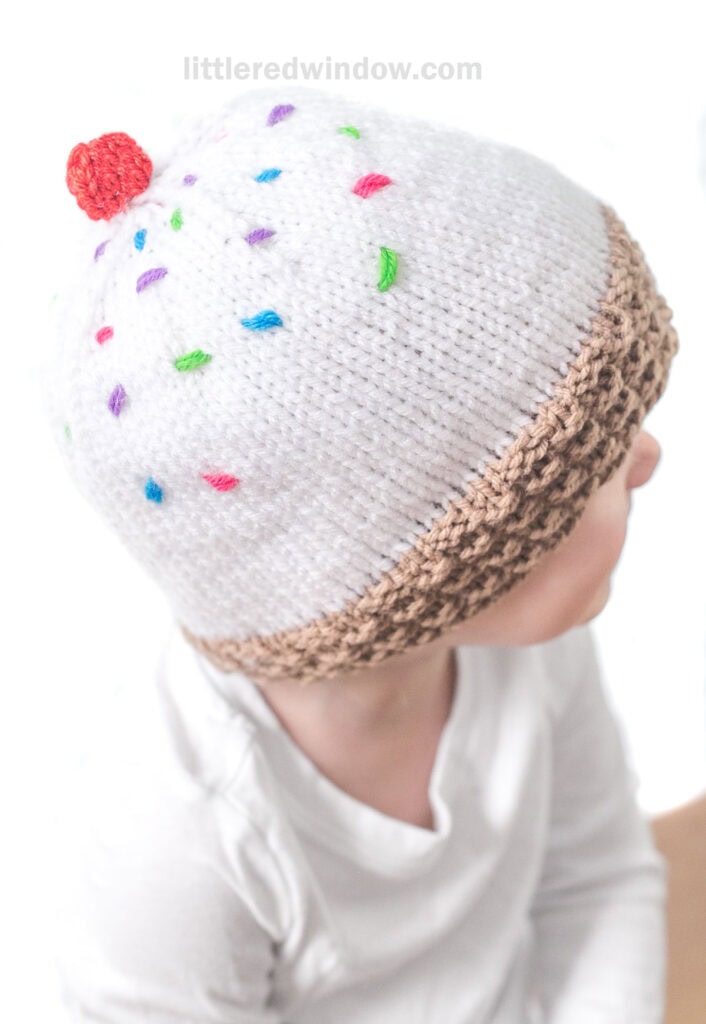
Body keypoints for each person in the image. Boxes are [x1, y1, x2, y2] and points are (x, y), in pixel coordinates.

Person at [44, 85, 679, 1023]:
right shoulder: (176, 834)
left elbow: (598, 878)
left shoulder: (526, 653)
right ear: (448, 562)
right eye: (586, 459)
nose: (649, 457)